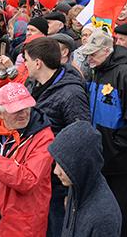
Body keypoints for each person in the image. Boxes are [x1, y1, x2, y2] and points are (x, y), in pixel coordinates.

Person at [0, 82, 55, 237]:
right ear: (0, 114)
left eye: (26, 107)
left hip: (24, 225)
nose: (23, 114)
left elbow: (28, 180)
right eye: (16, 110)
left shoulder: (44, 137)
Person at [22, 36, 91, 237]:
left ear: (37, 62)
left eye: (26, 59)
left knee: (58, 226)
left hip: (59, 175)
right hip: (42, 171)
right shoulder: (35, 85)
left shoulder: (70, 93)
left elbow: (81, 136)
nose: (25, 64)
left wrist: (70, 177)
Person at [78, 31, 127, 237]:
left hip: (119, 159)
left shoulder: (123, 73)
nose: (89, 59)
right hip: (101, 156)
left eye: (93, 54)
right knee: (106, 210)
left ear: (107, 51)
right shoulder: (97, 71)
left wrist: (118, 148)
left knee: (122, 210)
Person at [48, 121, 122, 237]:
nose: (56, 171)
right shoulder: (77, 184)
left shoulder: (103, 218)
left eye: (63, 165)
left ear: (81, 164)